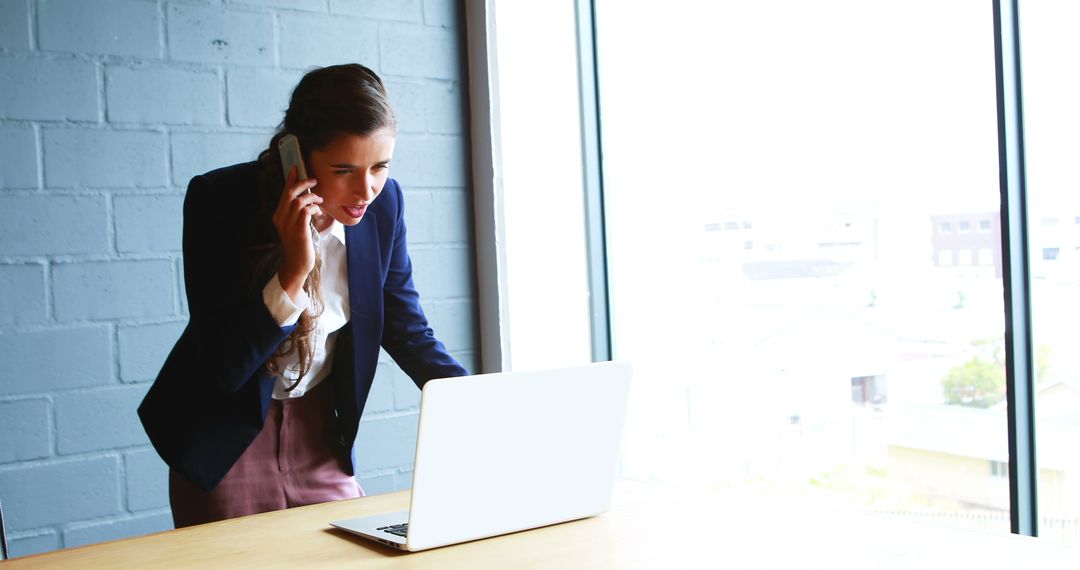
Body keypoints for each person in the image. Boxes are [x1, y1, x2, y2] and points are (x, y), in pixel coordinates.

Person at [138, 63, 468, 528]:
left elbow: (405, 326)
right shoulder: (220, 200)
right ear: (297, 156)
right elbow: (224, 364)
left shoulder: (385, 205)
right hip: (226, 433)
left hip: (318, 432)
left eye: (380, 166)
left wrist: (475, 400)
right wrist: (293, 273)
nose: (366, 190)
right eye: (344, 170)